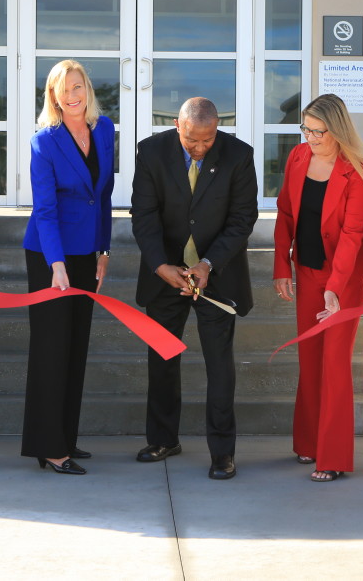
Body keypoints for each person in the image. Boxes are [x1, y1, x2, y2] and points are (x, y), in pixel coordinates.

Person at [130, 97, 257, 480]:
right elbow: (144, 214)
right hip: (166, 272)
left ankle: (222, 453)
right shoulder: (151, 151)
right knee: (163, 359)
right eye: (192, 142)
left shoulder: (239, 155)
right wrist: (159, 266)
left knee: (220, 366)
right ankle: (163, 439)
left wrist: (207, 264)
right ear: (176, 125)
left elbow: (242, 218)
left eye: (208, 140)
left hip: (216, 274)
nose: (200, 148)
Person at [273, 94, 363, 482]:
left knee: (334, 363)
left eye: (319, 132)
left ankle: (332, 457)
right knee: (309, 358)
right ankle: (308, 444)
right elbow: (286, 212)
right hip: (307, 270)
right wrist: (281, 265)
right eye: (306, 129)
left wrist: (335, 288)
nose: (311, 138)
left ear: (337, 131)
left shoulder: (358, 169)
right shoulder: (299, 157)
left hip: (346, 277)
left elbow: (353, 234)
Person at [22, 60, 114, 476]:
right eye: (64, 89)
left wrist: (104, 249)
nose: (73, 95)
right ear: (53, 97)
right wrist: (55, 263)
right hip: (50, 253)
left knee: (76, 346)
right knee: (52, 349)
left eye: (78, 86)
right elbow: (45, 209)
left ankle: (67, 436)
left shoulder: (105, 129)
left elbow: (105, 195)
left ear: (88, 89)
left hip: (87, 251)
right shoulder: (44, 142)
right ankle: (49, 447)